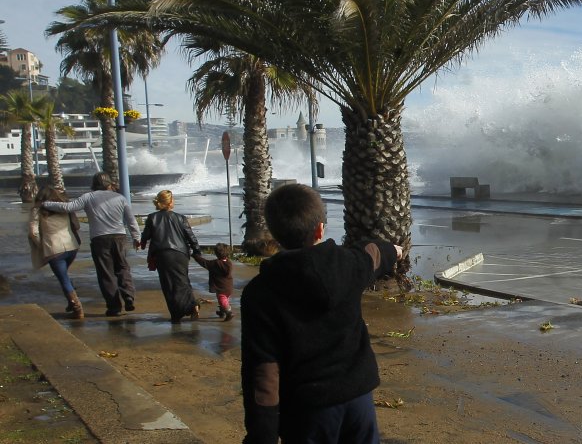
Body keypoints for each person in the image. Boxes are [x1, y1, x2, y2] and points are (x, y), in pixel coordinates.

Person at [241, 183, 402, 444]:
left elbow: (263, 371)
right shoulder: (348, 264)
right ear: (320, 228)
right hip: (358, 400)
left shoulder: (261, 293)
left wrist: (263, 435)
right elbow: (374, 254)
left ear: (275, 234)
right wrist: (393, 250)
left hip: (306, 411)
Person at [42, 172, 140, 317]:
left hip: (99, 239)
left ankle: (114, 307)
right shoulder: (120, 198)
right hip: (119, 237)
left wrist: (45, 204)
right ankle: (128, 296)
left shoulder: (88, 197)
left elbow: (68, 207)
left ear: (94, 184)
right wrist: (137, 237)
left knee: (106, 273)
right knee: (123, 267)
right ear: (109, 184)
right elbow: (131, 220)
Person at [140, 189, 202, 323]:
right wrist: (196, 251)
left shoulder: (152, 217)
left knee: (168, 284)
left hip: (163, 255)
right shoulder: (180, 217)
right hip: (180, 254)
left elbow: (146, 235)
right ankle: (192, 306)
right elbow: (191, 236)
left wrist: (142, 242)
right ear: (169, 202)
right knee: (183, 281)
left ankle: (176, 314)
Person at [29, 186, 84, 319]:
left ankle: (78, 309)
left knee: (63, 278)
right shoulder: (64, 207)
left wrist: (41, 245)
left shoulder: (38, 210)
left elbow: (32, 232)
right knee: (64, 274)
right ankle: (71, 303)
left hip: (53, 249)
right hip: (71, 246)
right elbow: (77, 225)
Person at [192, 242, 234, 322]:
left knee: (222, 300)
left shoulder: (215, 264)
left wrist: (195, 256)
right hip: (229, 287)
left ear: (216, 253)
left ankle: (229, 312)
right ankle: (222, 312)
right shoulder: (229, 263)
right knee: (225, 300)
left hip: (221, 288)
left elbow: (203, 262)